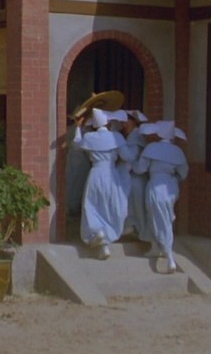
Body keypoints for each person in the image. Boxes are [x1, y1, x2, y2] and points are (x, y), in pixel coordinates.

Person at [73, 108, 131, 260]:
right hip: (112, 175)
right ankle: (105, 238)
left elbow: (76, 145)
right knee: (111, 206)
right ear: (108, 123)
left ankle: (99, 234)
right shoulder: (116, 137)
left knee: (93, 206)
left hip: (95, 174)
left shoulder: (89, 137)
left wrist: (78, 128)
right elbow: (127, 157)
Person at [134, 120, 188, 273]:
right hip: (171, 187)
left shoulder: (152, 148)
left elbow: (140, 169)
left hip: (155, 184)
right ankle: (155, 246)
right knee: (164, 216)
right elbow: (183, 173)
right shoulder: (177, 152)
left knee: (156, 216)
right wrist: (173, 178)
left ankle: (168, 255)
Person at [117, 110, 150, 242]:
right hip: (130, 177)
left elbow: (131, 157)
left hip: (135, 177)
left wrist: (121, 148)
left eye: (126, 121)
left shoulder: (136, 138)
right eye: (122, 122)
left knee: (137, 206)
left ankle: (142, 233)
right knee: (132, 206)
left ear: (134, 122)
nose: (124, 125)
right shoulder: (131, 136)